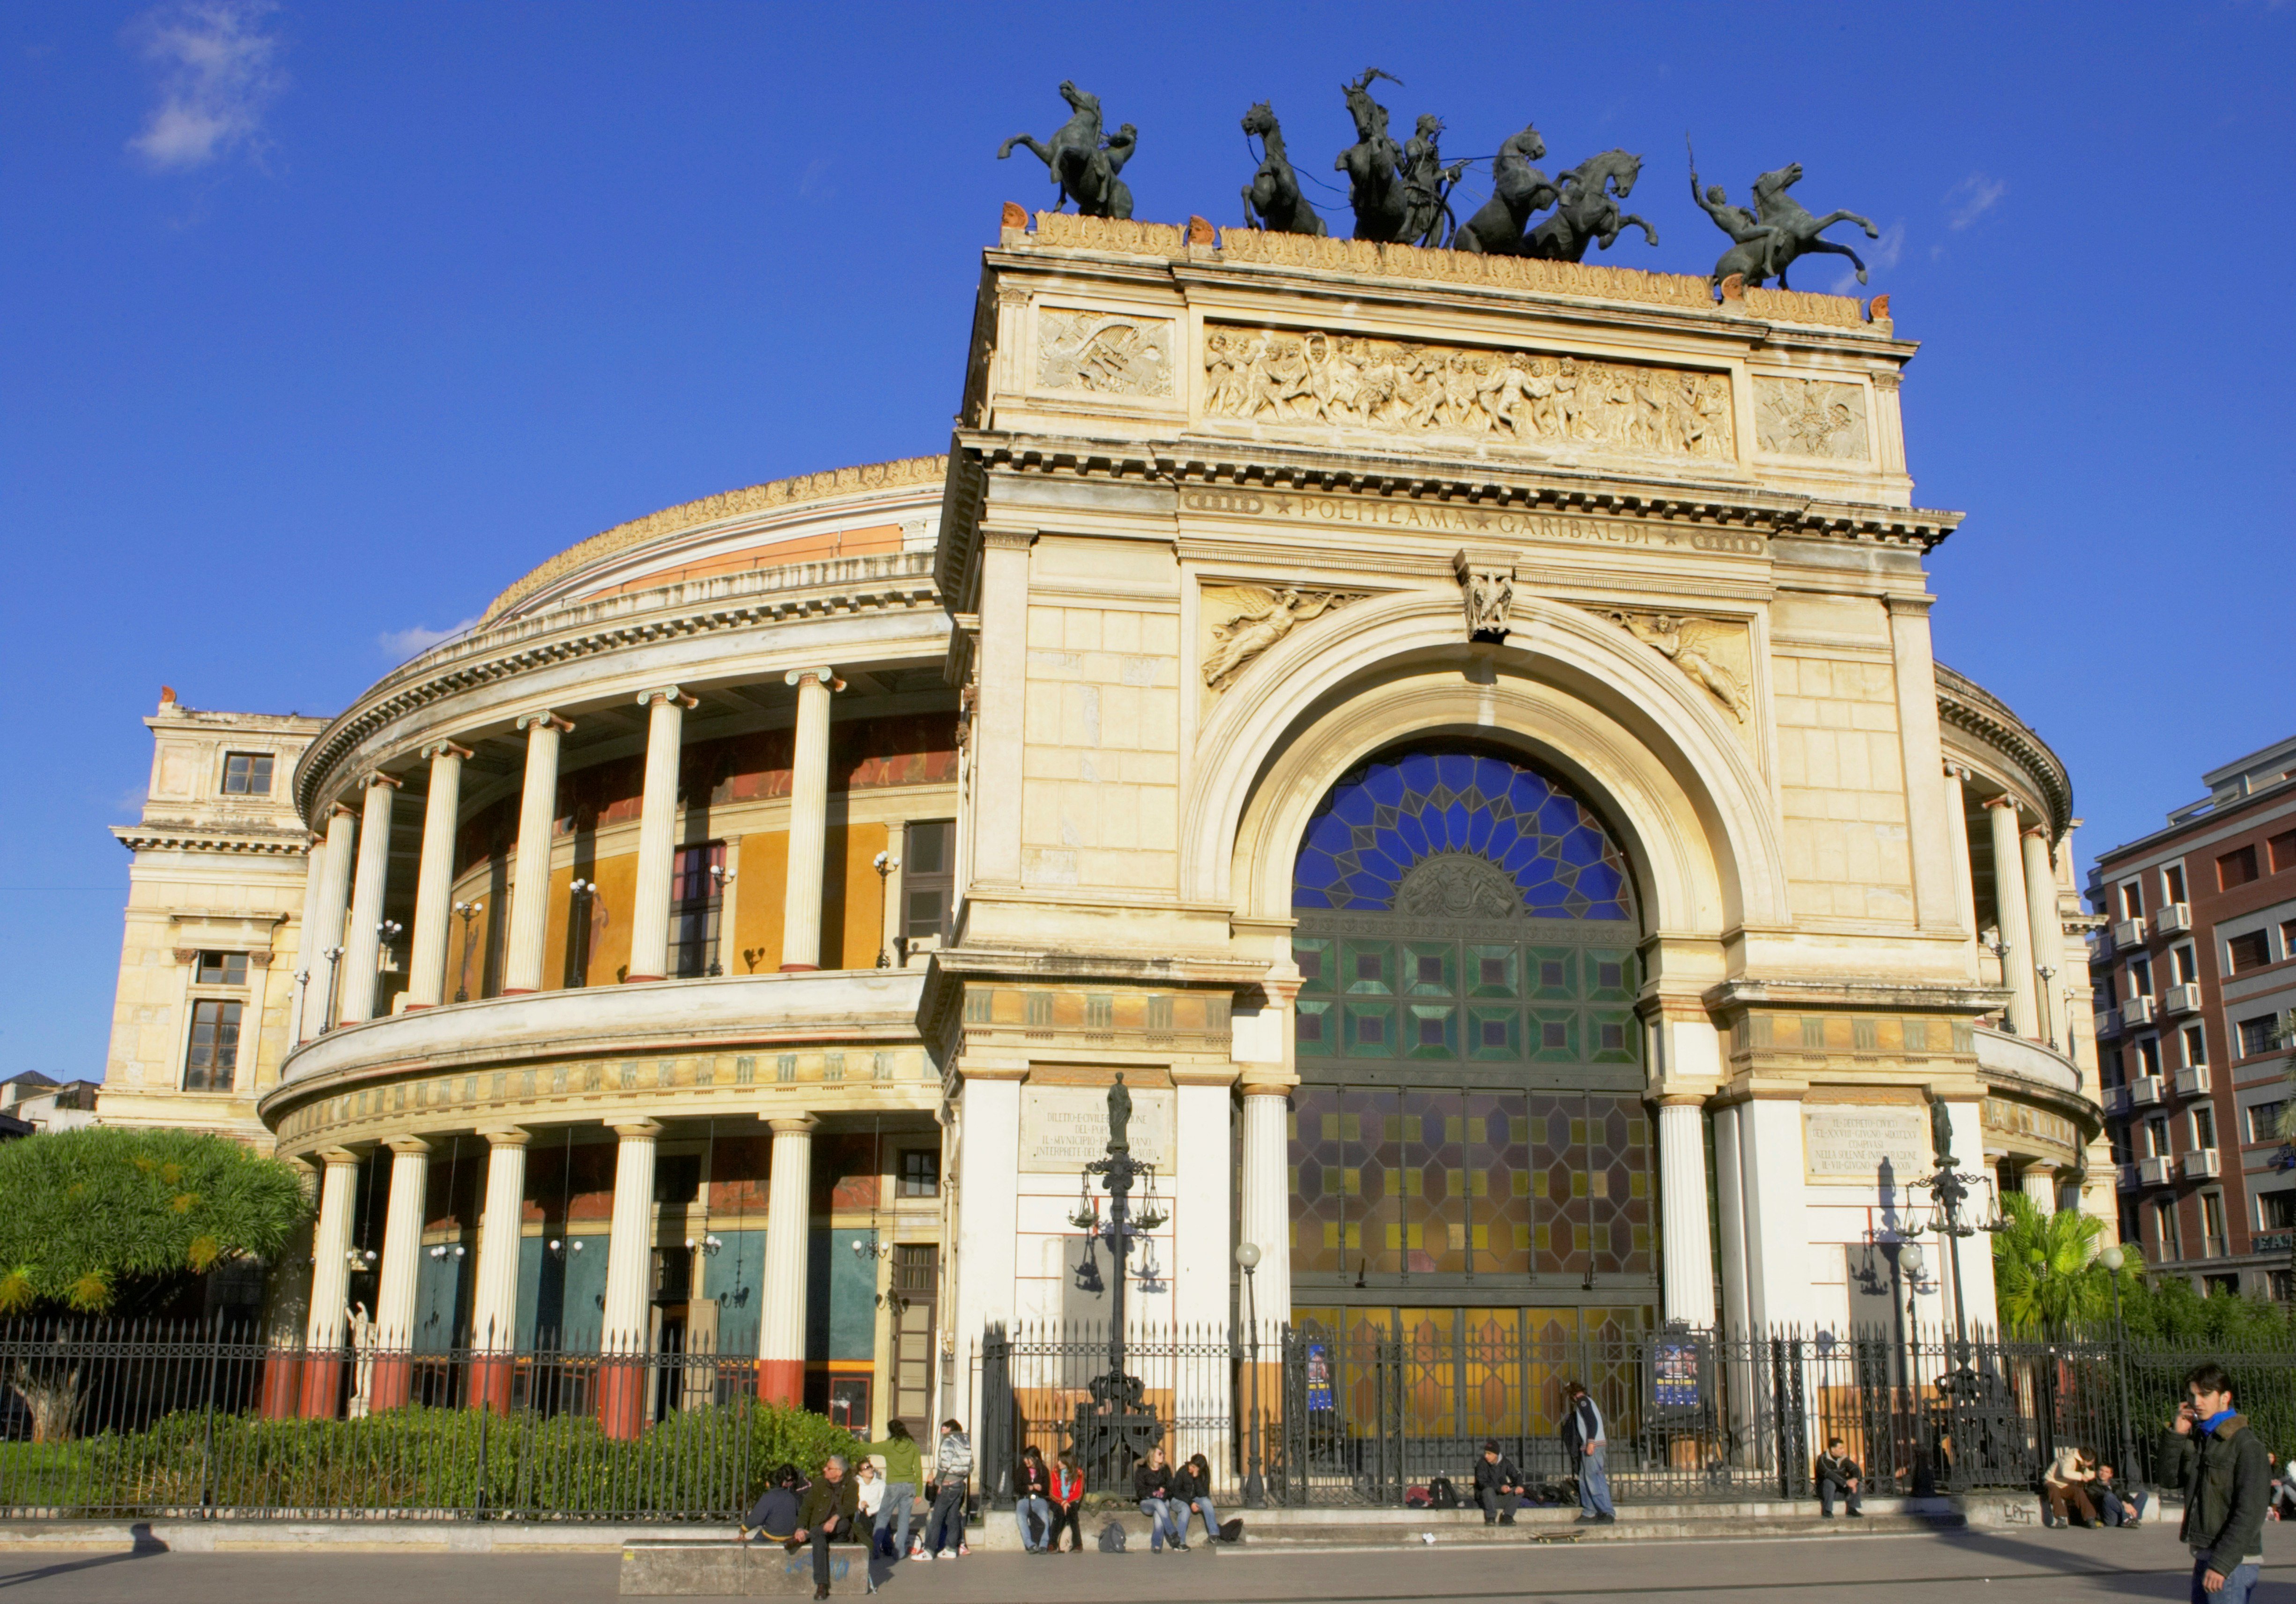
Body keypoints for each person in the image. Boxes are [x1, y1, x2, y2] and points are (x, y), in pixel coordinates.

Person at [2173, 1361, 2271, 1604]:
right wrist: (2176, 1435)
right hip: (2207, 1555)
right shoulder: (2203, 1438)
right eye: (2193, 1395)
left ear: (2225, 1397)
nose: (2197, 1402)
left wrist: (2222, 1564)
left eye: (2205, 1395)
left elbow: (2251, 1513)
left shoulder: (2246, 1446)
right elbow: (2170, 1479)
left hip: (2232, 1563)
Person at [792, 1454, 859, 1602]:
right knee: (819, 1539)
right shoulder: (819, 1483)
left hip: (840, 1530)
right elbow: (807, 1507)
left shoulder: (851, 1485)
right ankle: (821, 1585)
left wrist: (834, 1519)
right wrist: (800, 1527)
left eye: (829, 1468)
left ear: (839, 1472)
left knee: (843, 1523)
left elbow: (850, 1507)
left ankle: (809, 1535)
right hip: (819, 1529)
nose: (825, 1469)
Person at [855, 1419, 920, 1560]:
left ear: (891, 1431)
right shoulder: (913, 1446)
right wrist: (919, 1493)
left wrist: (861, 1442)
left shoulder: (889, 1446)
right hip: (909, 1486)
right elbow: (919, 1471)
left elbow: (868, 1449)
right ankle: (899, 1552)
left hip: (893, 1486)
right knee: (904, 1521)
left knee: (882, 1518)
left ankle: (875, 1550)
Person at [917, 1417, 971, 1559]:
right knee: (953, 1517)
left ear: (951, 1429)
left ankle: (928, 1550)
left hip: (948, 1485)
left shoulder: (948, 1441)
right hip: (959, 1484)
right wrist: (960, 1478)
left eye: (944, 1428)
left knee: (936, 1518)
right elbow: (970, 1466)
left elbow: (945, 1464)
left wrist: (939, 1482)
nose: (942, 1430)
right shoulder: (966, 1442)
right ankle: (951, 1549)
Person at [1562, 1380, 1615, 1524]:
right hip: (1588, 1446)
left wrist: (1591, 1442)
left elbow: (1592, 1422)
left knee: (1594, 1479)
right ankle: (1589, 1512)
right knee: (1585, 1481)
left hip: (1594, 1446)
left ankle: (1606, 1512)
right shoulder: (1584, 1402)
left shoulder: (1583, 1401)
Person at [1133, 1443, 1186, 1552]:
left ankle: (1156, 1545)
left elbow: (1171, 1487)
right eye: (1160, 1454)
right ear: (1153, 1456)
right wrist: (1153, 1493)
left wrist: (1164, 1490)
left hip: (1163, 1501)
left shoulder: (1165, 1469)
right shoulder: (1142, 1470)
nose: (1163, 1456)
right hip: (1147, 1503)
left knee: (1160, 1511)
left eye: (1163, 1454)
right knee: (1158, 1504)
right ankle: (1173, 1533)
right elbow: (1140, 1491)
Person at [739, 1463, 806, 1543]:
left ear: (768, 1484)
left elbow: (756, 1517)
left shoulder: (768, 1497)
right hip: (790, 1536)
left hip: (770, 1536)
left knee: (755, 1542)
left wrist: (743, 1531)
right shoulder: (793, 1497)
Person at [1171, 1452, 1223, 1547]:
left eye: (1194, 1467)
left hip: (1194, 1498)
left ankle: (1214, 1534)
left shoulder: (1205, 1474)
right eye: (1191, 1465)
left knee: (1206, 1502)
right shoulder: (1183, 1471)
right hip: (1179, 1499)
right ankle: (1180, 1542)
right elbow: (1176, 1491)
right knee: (1185, 1509)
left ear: (1200, 1469)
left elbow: (1203, 1494)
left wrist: (1196, 1478)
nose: (1190, 1468)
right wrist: (1191, 1503)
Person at [2042, 1444, 2099, 1528]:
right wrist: (2081, 1477)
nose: (2091, 1464)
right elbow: (2065, 1473)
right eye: (2091, 1462)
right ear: (2085, 1460)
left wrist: (2097, 1474)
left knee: (2078, 1491)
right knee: (2054, 1490)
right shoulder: (2068, 1459)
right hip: (2051, 1481)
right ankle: (2061, 1518)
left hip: (2064, 1485)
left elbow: (2087, 1473)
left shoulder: (2081, 1462)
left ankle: (2090, 1518)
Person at [1471, 1441, 1525, 1525]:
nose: (1486, 1456)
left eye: (1489, 1454)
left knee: (1518, 1492)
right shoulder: (1482, 1464)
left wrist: (1520, 1486)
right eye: (1486, 1453)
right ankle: (1491, 1517)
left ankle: (1507, 1516)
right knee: (1488, 1490)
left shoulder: (1505, 1462)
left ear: (1496, 1455)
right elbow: (1482, 1483)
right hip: (1485, 1499)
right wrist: (1499, 1488)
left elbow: (1516, 1475)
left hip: (1500, 1497)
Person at [1015, 1445, 1054, 1553]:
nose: (1026, 1461)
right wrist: (1028, 1487)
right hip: (1024, 1499)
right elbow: (1017, 1487)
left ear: (1036, 1458)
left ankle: (1043, 1545)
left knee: (1045, 1517)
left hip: (1039, 1499)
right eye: (1025, 1458)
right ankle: (1030, 1544)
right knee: (1020, 1517)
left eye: (1029, 1458)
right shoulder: (1021, 1469)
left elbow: (1047, 1489)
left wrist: (1041, 1488)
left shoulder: (1043, 1470)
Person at [1048, 1450, 1087, 1553]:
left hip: (1072, 1500)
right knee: (1059, 1513)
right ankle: (1052, 1544)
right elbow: (1054, 1491)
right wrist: (1063, 1502)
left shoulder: (1079, 1473)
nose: (1059, 1463)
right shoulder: (1055, 1472)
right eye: (1059, 1461)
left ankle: (1078, 1544)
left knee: (1072, 1513)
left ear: (1068, 1462)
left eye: (1061, 1461)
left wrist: (1068, 1502)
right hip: (1057, 1500)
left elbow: (1078, 1492)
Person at [1815, 1437, 1864, 1519]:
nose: (1843, 1451)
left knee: (1856, 1482)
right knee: (1829, 1482)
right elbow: (1830, 1474)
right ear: (1833, 1449)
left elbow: (1856, 1469)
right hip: (1826, 1492)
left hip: (1841, 1491)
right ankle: (1827, 1510)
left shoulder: (1843, 1459)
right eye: (1841, 1448)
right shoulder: (1822, 1459)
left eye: (1843, 1448)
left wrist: (1854, 1480)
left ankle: (1852, 1509)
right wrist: (1846, 1483)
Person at [2096, 1462, 2148, 1529]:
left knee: (2143, 1495)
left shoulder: (2116, 1485)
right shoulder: (2094, 1485)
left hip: (2122, 1513)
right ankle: (2127, 1520)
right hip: (2111, 1517)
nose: (2103, 1474)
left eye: (2107, 1472)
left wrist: (2130, 1506)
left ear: (2111, 1475)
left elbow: (2126, 1497)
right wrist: (2124, 1504)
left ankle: (2131, 1518)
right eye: (2101, 1471)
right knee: (2109, 1495)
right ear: (2098, 1472)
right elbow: (2100, 1500)